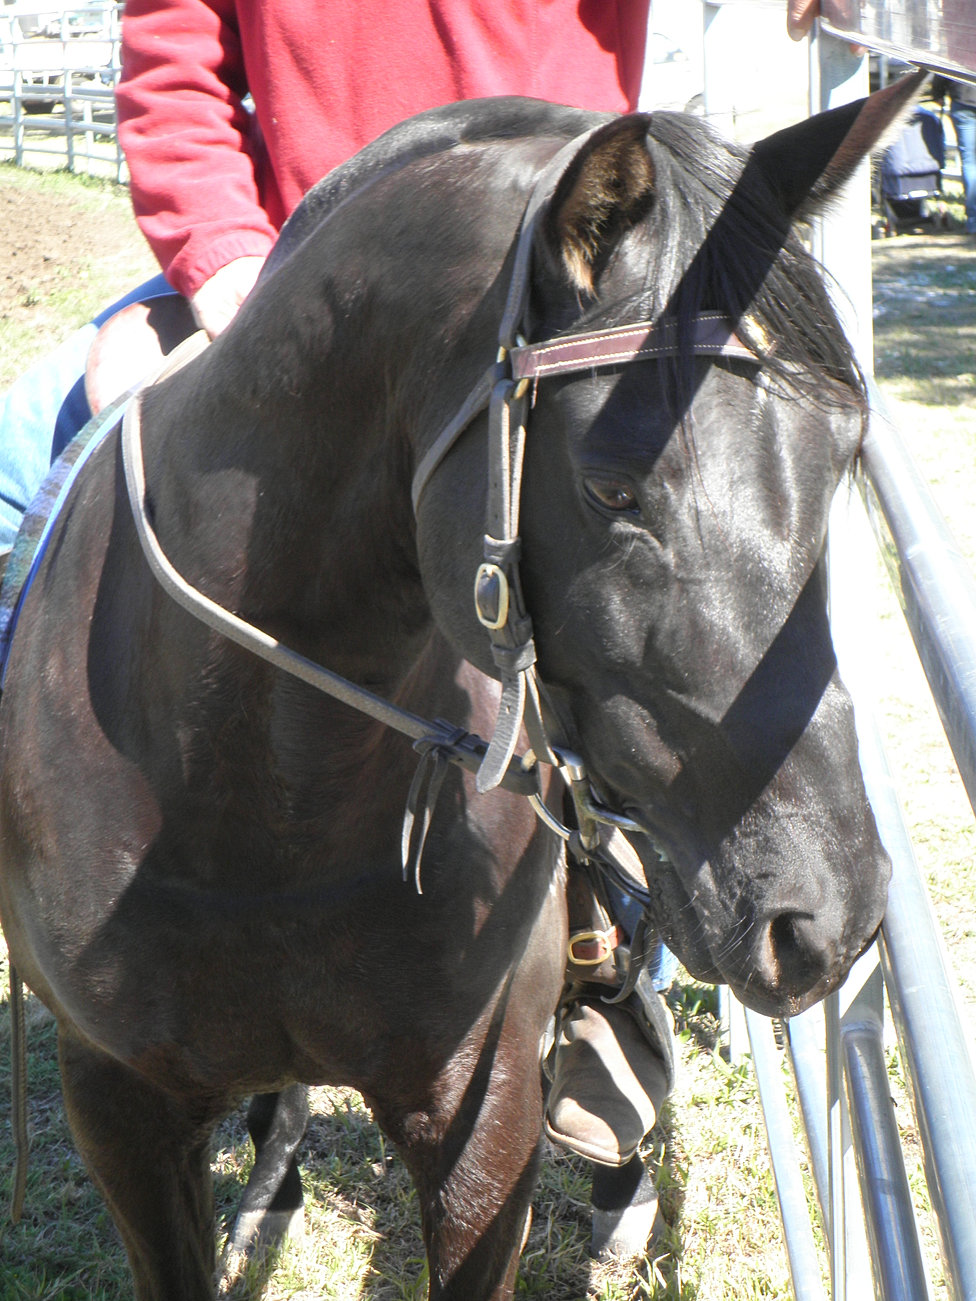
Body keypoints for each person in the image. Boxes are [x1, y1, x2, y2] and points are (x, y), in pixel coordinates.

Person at [0, 0, 826, 1255]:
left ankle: (611, 948)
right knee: (29, 464)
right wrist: (229, 263)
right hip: (292, 274)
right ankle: (45, 869)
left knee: (665, 570)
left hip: (564, 284)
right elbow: (173, 54)